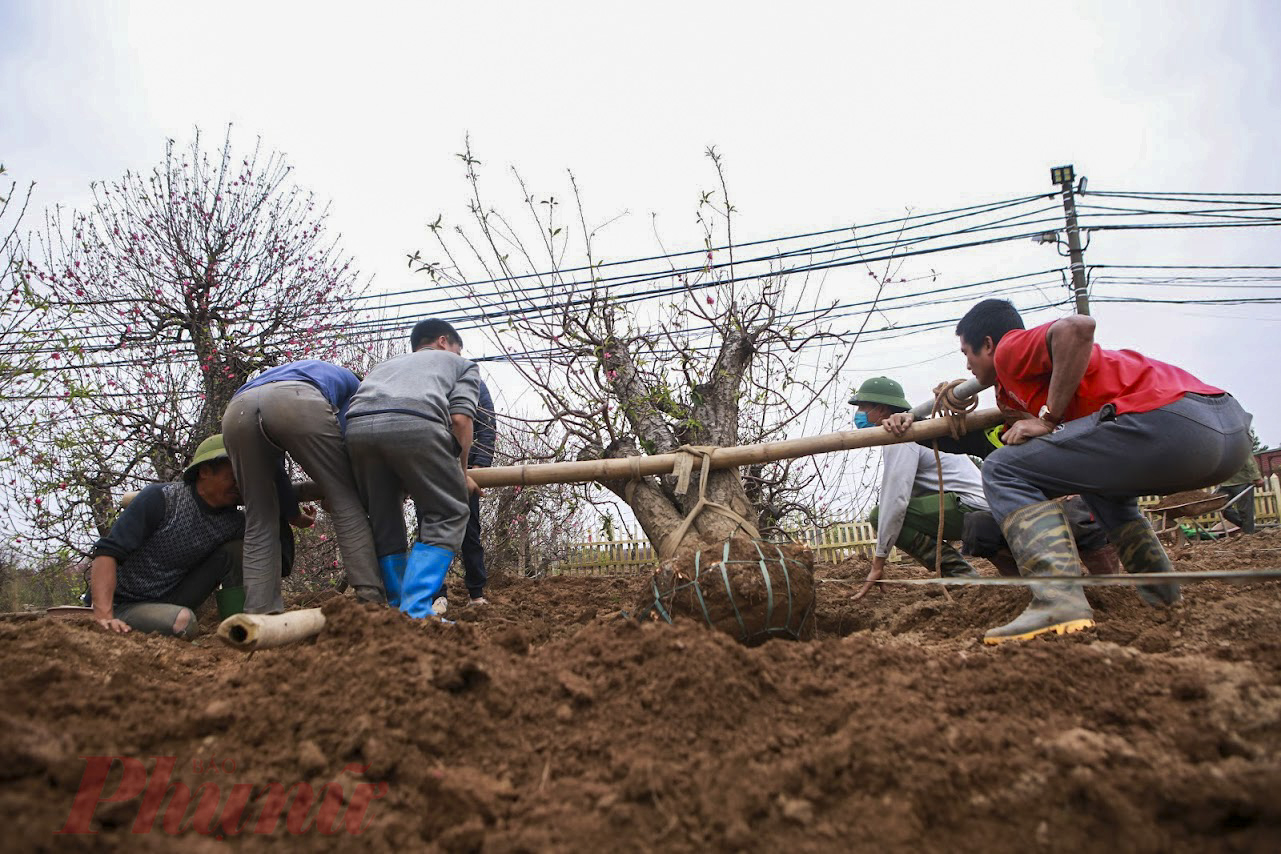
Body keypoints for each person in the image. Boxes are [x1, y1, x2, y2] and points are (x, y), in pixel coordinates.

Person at [886, 299, 1251, 644]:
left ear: (988, 343)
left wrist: (1049, 418)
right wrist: (912, 418)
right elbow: (978, 436)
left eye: (966, 353)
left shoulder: (1011, 350)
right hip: (1226, 432)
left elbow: (1077, 328)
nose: (966, 367)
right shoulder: (1025, 387)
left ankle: (1057, 601)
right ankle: (1163, 596)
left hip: (1169, 423)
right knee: (1105, 495)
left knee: (1001, 469)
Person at [222, 359, 384, 614]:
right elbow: (350, 436)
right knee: (345, 501)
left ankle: (259, 613)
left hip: (238, 409)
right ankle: (371, 600)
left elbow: (274, 468)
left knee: (259, 517)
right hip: (296, 399)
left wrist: (291, 511)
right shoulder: (355, 385)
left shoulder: (290, 370)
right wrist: (342, 490)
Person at [345, 318, 481, 619]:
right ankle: (417, 609)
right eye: (457, 349)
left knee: (385, 518)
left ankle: (396, 609)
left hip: (356, 430)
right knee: (450, 511)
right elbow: (460, 421)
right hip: (414, 423)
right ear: (444, 342)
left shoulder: (385, 366)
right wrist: (460, 475)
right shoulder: (461, 365)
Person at [88, 434, 245, 638]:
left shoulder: (234, 521)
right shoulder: (162, 499)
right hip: (124, 603)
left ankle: (239, 628)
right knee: (183, 622)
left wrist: (277, 508)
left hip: (170, 598)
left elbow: (280, 561)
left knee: (235, 550)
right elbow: (107, 552)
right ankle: (121, 618)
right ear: (205, 472)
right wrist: (104, 615)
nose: (239, 484)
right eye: (233, 476)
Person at [849, 376, 989, 601]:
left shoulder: (901, 434)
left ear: (882, 409)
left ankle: (960, 574)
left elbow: (895, 502)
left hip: (970, 506)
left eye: (863, 407)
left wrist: (879, 561)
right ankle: (960, 573)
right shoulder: (911, 429)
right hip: (979, 505)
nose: (859, 414)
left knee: (879, 514)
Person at [415, 330, 496, 613]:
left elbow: (485, 424)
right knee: (428, 531)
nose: (458, 359)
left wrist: (478, 467)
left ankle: (476, 592)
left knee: (470, 531)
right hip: (428, 468)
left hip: (466, 470)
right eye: (458, 352)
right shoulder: (419, 378)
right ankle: (436, 594)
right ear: (442, 341)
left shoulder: (468, 378)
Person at [1216, 454, 1263, 534]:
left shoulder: (1240, 446)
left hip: (1242, 481)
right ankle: (1244, 526)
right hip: (1225, 483)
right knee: (1220, 506)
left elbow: (1249, 460)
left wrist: (1257, 477)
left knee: (1245, 510)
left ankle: (1248, 535)